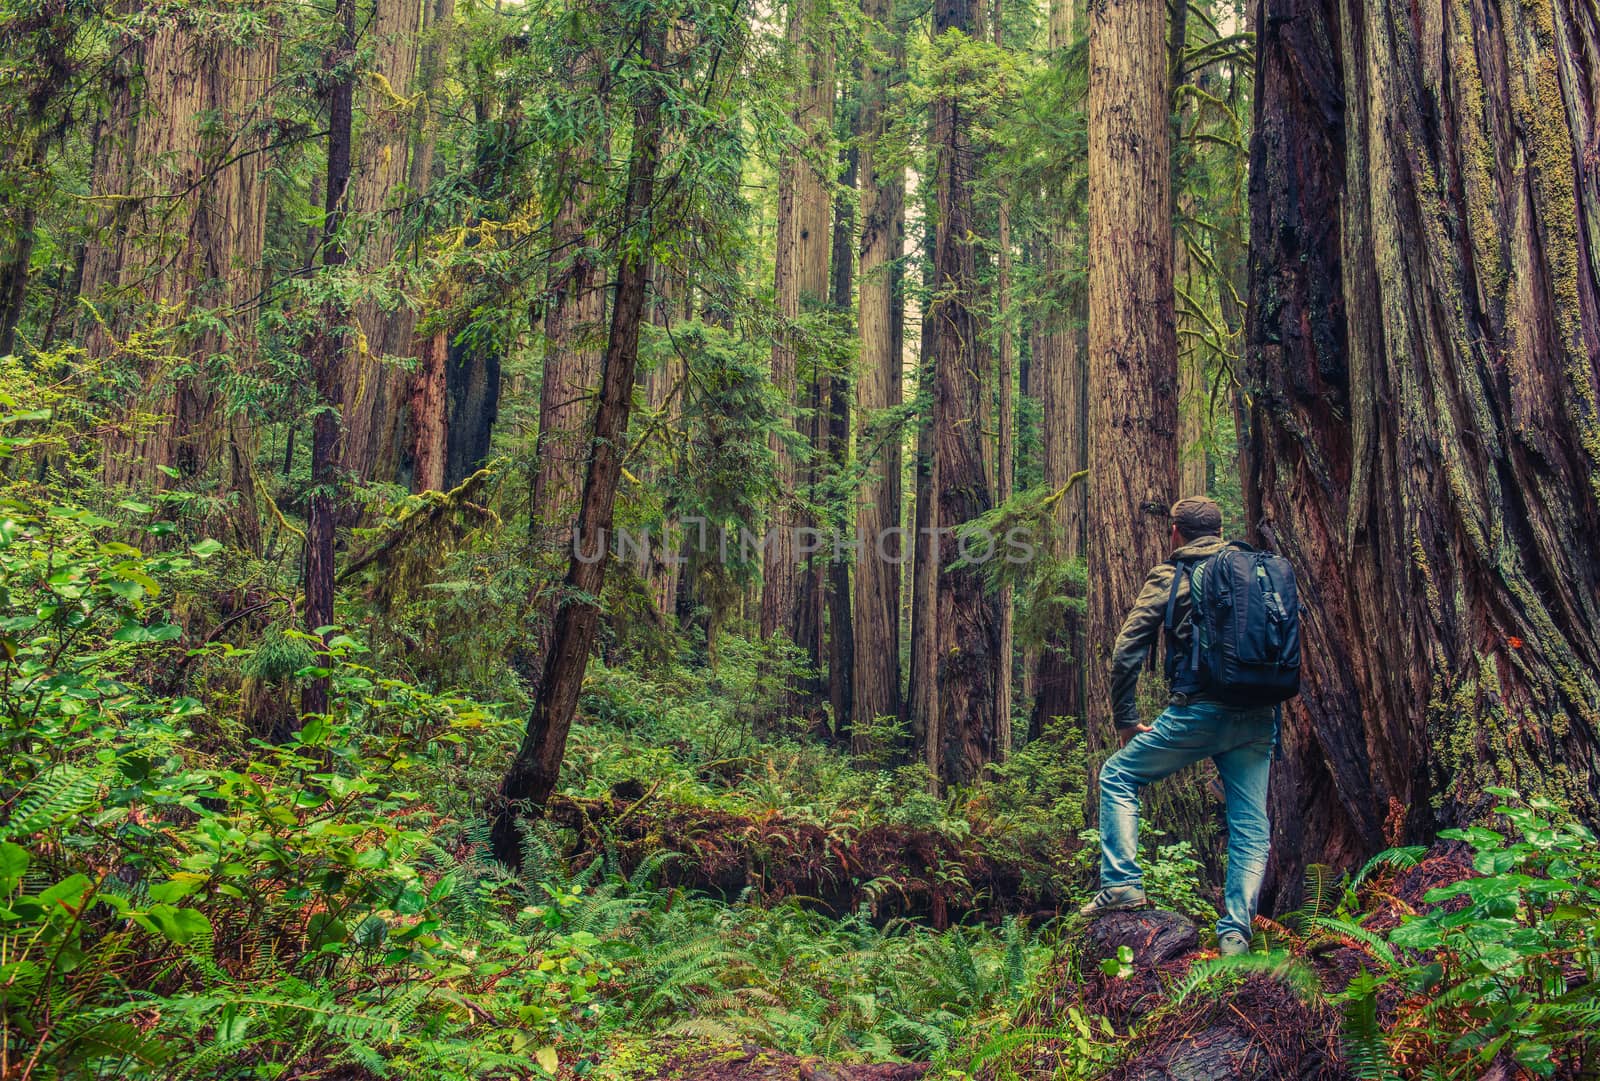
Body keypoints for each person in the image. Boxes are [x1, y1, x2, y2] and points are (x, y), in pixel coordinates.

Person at [1077, 496, 1276, 957]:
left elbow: (1127, 649)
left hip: (1200, 711)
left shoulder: (1173, 576)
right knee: (1250, 824)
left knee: (1119, 774)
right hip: (1259, 716)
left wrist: (1126, 720)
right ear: (1220, 528)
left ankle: (1122, 884)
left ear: (1174, 532)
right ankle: (1234, 934)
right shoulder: (1255, 570)